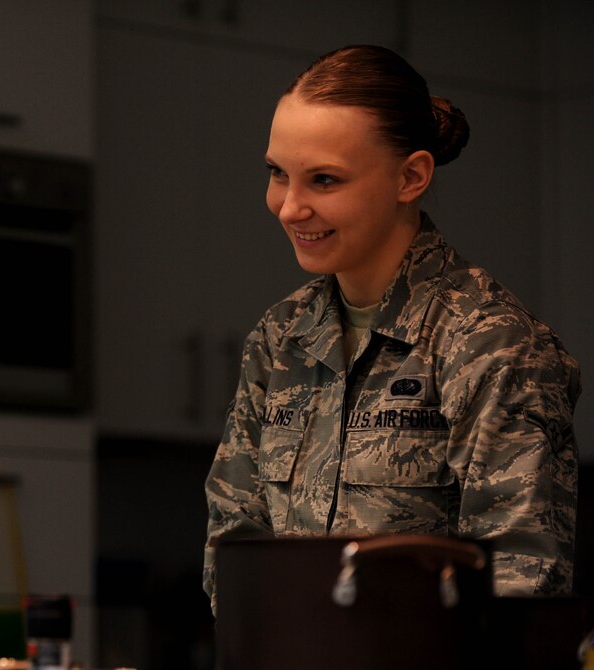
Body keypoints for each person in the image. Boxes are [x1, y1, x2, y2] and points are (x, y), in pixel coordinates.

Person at [202, 45, 580, 609]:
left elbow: (521, 585)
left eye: (324, 180)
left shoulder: (488, 342)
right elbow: (235, 551)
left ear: (411, 176)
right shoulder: (281, 336)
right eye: (278, 174)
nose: (289, 207)